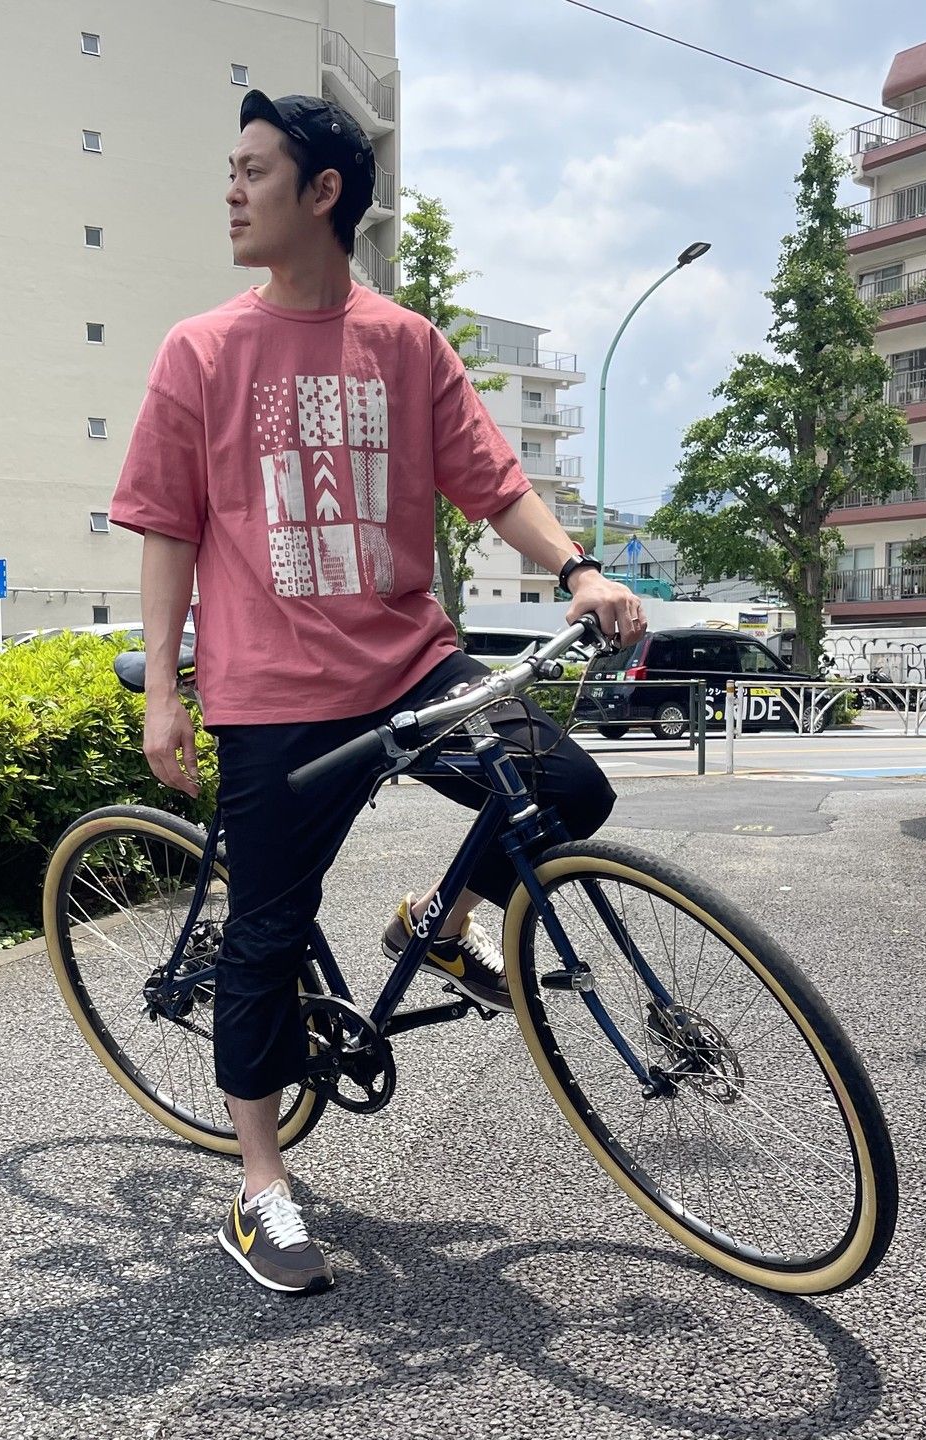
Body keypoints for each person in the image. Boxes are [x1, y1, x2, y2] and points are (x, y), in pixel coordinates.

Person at [109, 90, 646, 1297]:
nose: (232, 191)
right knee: (261, 940)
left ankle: (438, 927)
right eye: (230, 169)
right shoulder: (201, 350)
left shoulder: (403, 344)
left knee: (566, 783)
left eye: (253, 171)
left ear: (325, 192)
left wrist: (579, 567)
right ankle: (260, 1189)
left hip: (411, 662)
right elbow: (165, 527)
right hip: (271, 694)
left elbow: (493, 483)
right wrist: (167, 692)